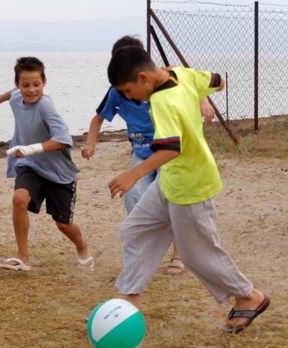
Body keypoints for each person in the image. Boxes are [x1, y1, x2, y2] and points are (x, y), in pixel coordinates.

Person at [105, 45, 269, 333]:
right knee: (133, 230)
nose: (130, 98)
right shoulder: (182, 75)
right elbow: (218, 80)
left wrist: (133, 174)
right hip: (169, 182)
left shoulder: (161, 102)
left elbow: (170, 148)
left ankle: (249, 296)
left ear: (143, 78)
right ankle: (128, 305)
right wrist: (198, 93)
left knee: (197, 255)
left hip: (189, 186)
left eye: (129, 91)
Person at [82, 35, 215, 275]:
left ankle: (177, 254)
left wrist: (204, 100)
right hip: (143, 152)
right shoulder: (119, 91)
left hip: (168, 154)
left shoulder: (162, 84)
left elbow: (194, 81)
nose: (131, 95)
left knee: (173, 200)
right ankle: (148, 247)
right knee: (133, 196)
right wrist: (91, 144)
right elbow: (98, 118)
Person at [0, 56, 93, 271]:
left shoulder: (46, 107)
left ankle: (82, 247)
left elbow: (64, 140)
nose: (31, 90)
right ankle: (23, 257)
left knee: (63, 224)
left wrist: (30, 148)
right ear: (18, 84)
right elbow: (12, 94)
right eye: (25, 85)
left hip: (58, 172)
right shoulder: (17, 96)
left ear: (45, 82)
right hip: (30, 164)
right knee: (19, 199)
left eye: (36, 84)